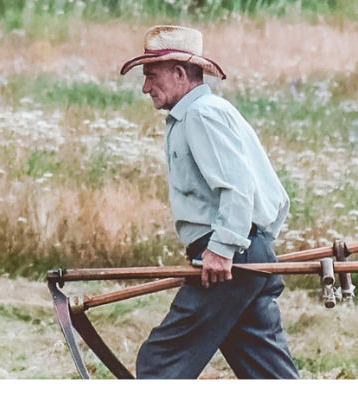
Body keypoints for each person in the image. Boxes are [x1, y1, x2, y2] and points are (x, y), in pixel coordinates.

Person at [119, 25, 300, 380]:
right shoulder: (203, 113)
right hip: (243, 254)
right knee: (268, 375)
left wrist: (224, 248)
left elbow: (237, 187)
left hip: (227, 260)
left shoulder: (203, 115)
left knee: (160, 362)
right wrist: (257, 245)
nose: (145, 88)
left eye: (151, 76)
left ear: (179, 73)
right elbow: (273, 196)